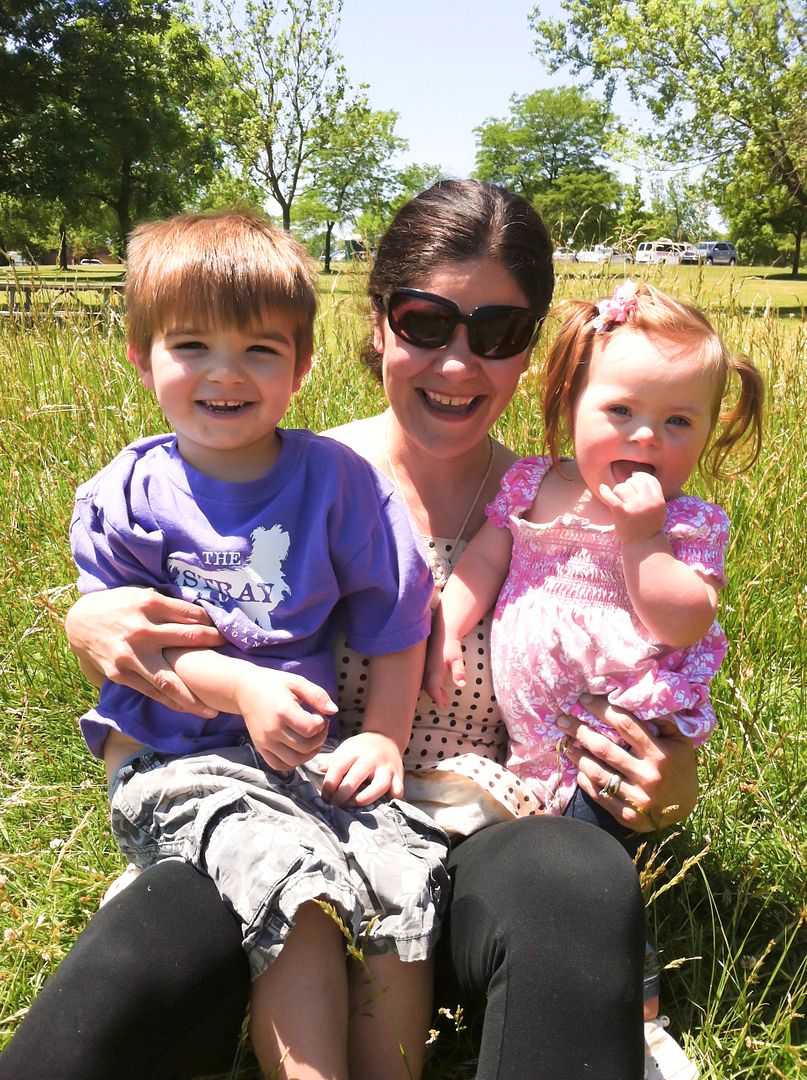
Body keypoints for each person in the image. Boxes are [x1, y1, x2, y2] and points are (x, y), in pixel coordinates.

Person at [0, 182, 699, 1080]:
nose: (457, 364)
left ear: (530, 353)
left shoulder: (579, 507)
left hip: (490, 851)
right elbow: (153, 667)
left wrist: (666, 782)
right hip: (294, 836)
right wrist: (87, 619)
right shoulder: (277, 476)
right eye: (424, 322)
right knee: (151, 941)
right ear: (376, 325)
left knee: (573, 881)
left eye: (496, 334)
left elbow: (656, 701)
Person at [68, 209, 448, 1080]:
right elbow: (140, 650)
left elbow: (396, 618)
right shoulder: (132, 494)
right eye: (191, 345)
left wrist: (384, 736)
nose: (225, 374)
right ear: (141, 357)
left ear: (302, 366)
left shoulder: (338, 481)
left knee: (403, 868)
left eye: (260, 351)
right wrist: (243, 689)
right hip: (173, 757)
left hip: (302, 756)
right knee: (295, 887)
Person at [424, 279, 763, 1053]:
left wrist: (642, 538)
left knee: (593, 851)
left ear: (708, 434)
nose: (645, 438)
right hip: (535, 730)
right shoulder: (532, 484)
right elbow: (483, 558)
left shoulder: (684, 522)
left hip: (619, 719)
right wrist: (446, 626)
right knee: (548, 840)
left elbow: (682, 615)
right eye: (620, 412)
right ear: (570, 402)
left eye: (677, 422)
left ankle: (632, 1011)